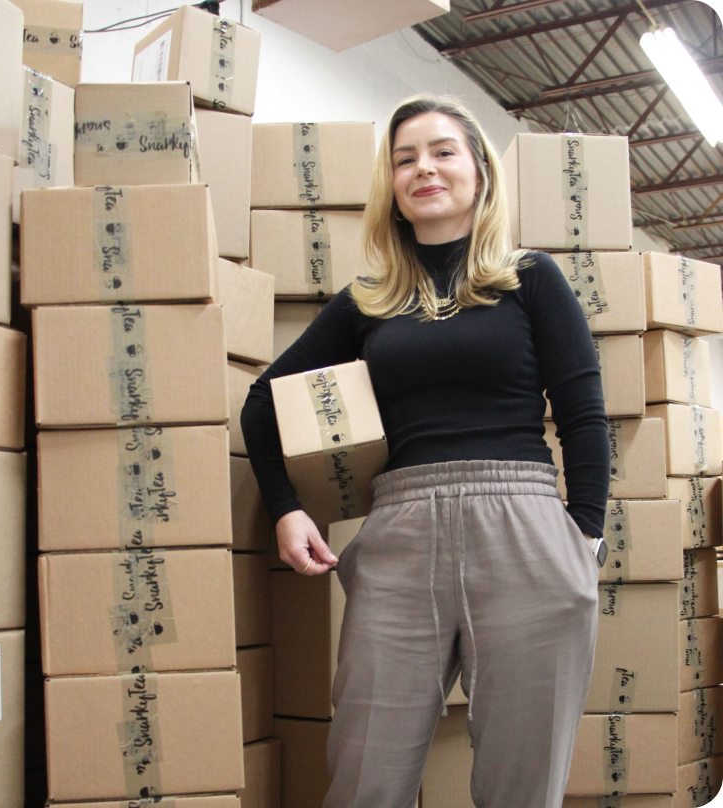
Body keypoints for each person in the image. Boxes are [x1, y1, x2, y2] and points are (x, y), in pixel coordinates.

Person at [240, 94, 610, 808]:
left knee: (521, 787)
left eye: (443, 151)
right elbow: (265, 402)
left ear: (479, 170)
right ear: (392, 188)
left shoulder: (530, 280)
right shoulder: (369, 302)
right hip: (402, 534)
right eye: (405, 158)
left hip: (526, 526)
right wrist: (286, 509)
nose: (424, 169)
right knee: (364, 778)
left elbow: (583, 412)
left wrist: (583, 536)